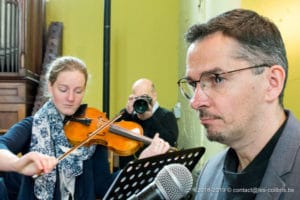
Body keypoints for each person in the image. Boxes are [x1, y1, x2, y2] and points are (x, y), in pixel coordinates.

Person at [0, 56, 170, 200]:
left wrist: (141, 163)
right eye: (63, 89)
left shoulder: (95, 130)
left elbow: (104, 187)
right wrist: (18, 164)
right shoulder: (32, 126)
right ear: (50, 88)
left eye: (78, 91)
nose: (71, 98)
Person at [177, 8, 300, 199]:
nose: (195, 102)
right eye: (194, 84)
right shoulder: (209, 173)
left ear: (272, 82)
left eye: (217, 79)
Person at [116, 78, 179, 169]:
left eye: (144, 97)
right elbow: (113, 135)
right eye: (137, 98)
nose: (141, 101)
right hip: (129, 170)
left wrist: (150, 118)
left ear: (154, 96)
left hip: (155, 171)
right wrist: (126, 112)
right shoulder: (129, 115)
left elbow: (170, 143)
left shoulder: (166, 115)